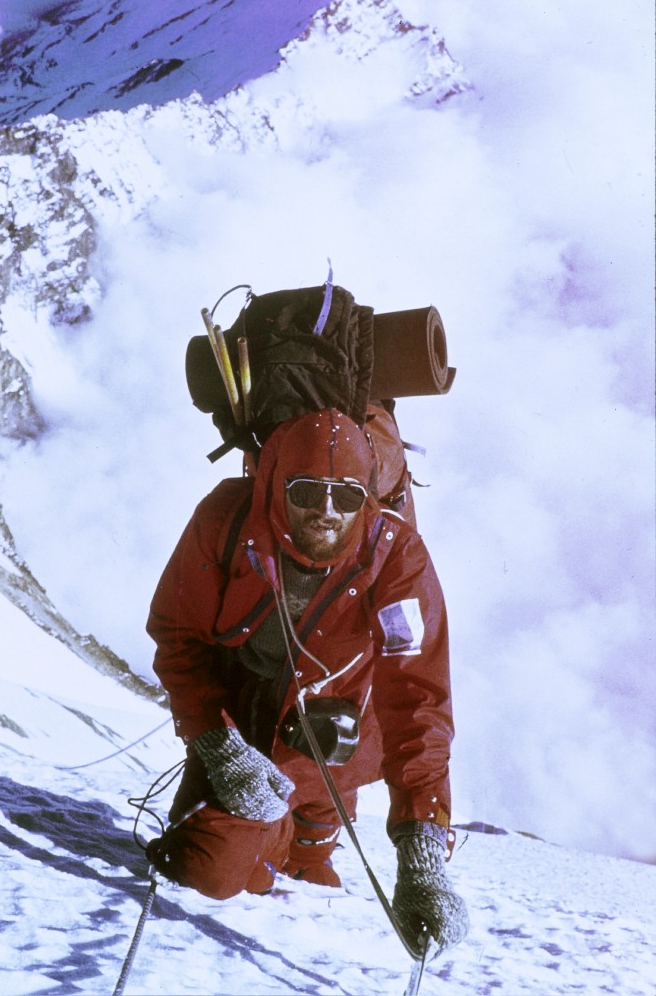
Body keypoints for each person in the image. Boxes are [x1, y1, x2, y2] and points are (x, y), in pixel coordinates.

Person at [146, 407, 469, 955]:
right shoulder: (225, 520)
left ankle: (310, 833)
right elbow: (179, 637)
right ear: (273, 483)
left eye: (345, 497)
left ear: (366, 498)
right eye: (305, 491)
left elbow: (418, 699)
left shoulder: (395, 556)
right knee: (208, 870)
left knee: (312, 863)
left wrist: (422, 848)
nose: (326, 511)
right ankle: (287, 833)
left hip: (336, 745)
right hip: (242, 726)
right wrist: (218, 748)